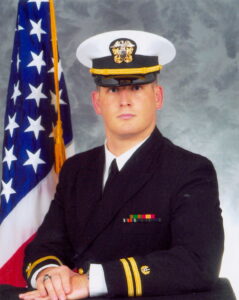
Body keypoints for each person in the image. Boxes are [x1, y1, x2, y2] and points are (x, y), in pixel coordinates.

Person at [18, 30, 225, 300]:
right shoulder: (76, 170)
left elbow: (197, 262)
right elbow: (46, 244)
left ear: (158, 96)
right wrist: (50, 275)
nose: (124, 99)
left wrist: (90, 282)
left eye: (137, 87)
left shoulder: (189, 170)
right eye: (113, 88)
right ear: (97, 102)